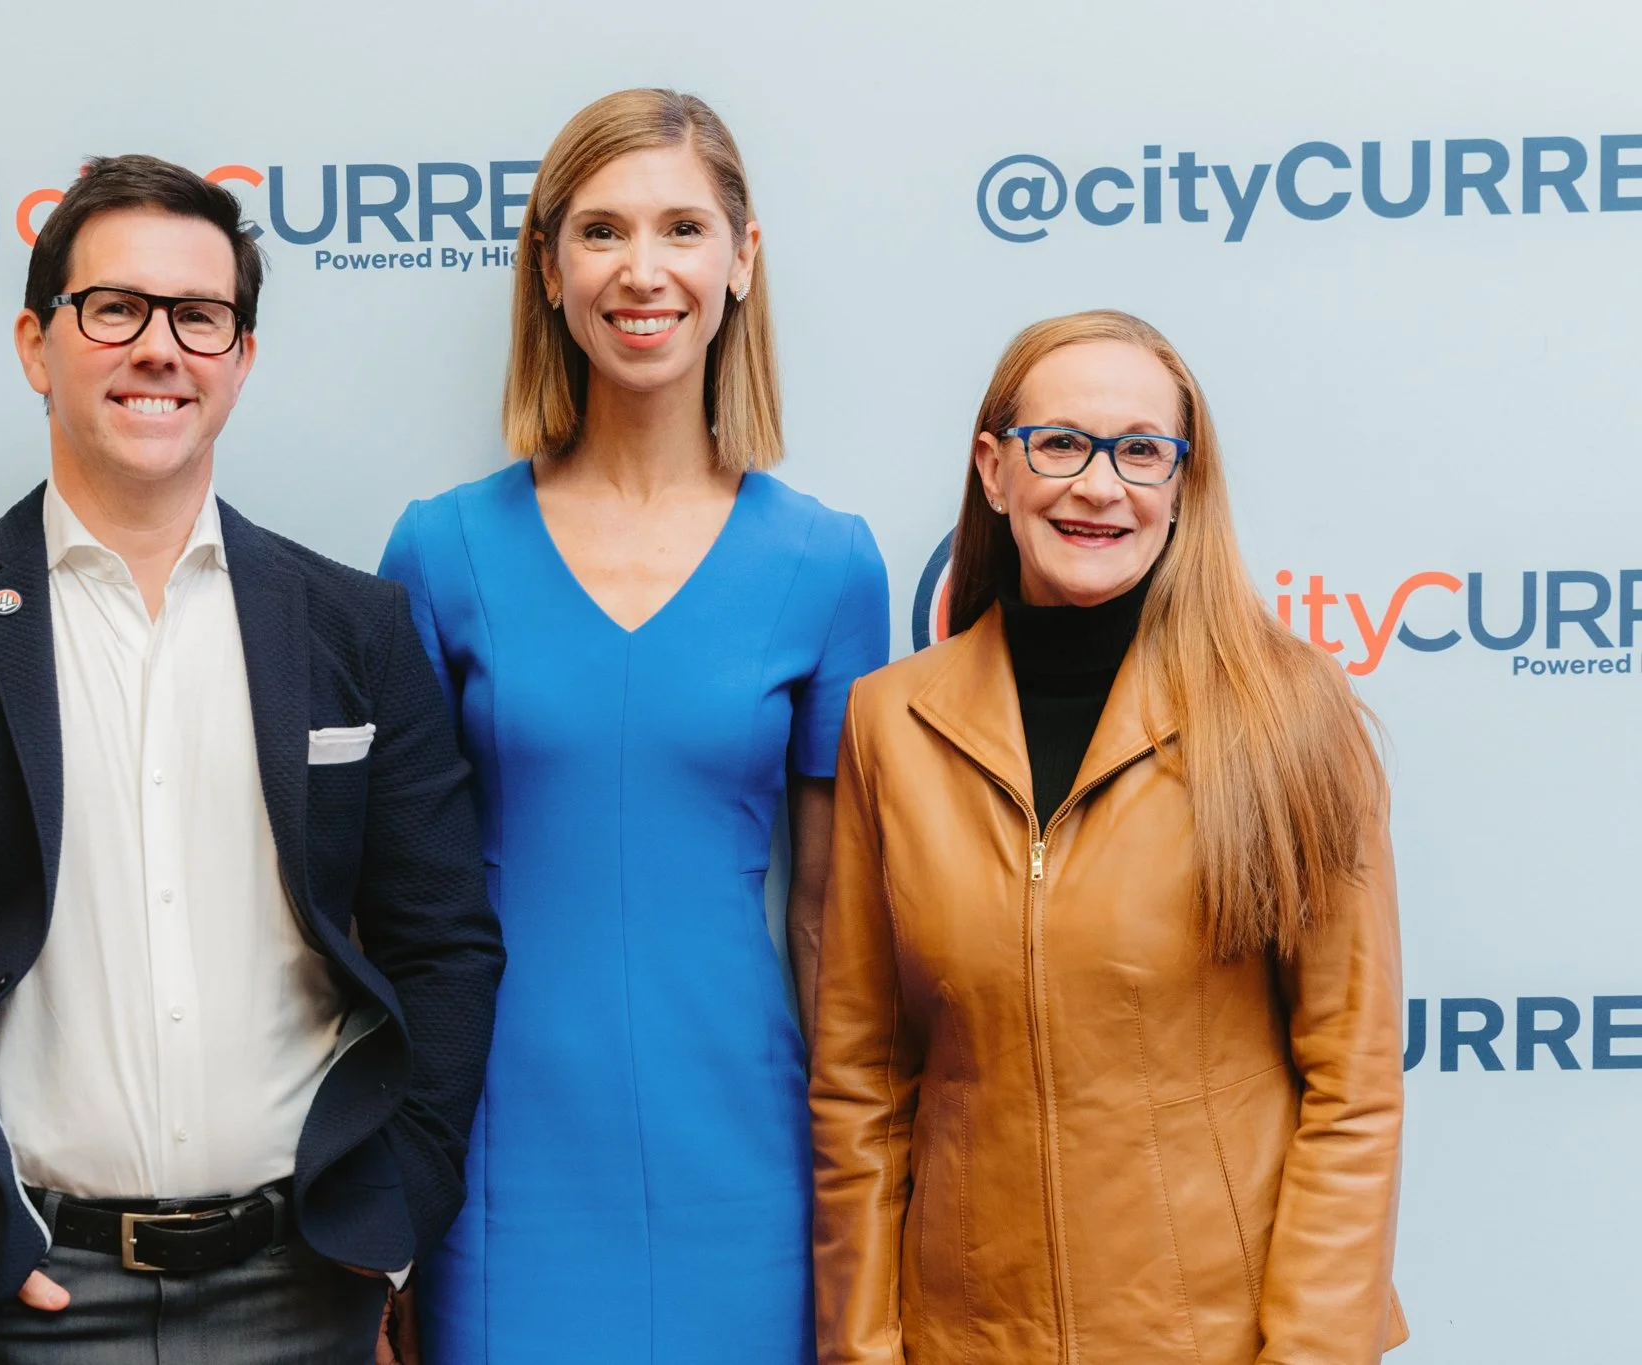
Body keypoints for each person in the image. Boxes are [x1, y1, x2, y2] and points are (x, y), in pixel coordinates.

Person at [0, 154, 503, 1365]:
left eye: (199, 316)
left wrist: (393, 1211)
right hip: (16, 1290)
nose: (159, 348)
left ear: (241, 357)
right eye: (115, 309)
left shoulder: (354, 628)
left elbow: (444, 940)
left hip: (300, 1290)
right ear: (36, 345)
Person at [378, 88, 888, 1365]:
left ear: (741, 259)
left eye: (681, 228)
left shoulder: (829, 563)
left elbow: (830, 924)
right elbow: (391, 915)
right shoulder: (439, 550)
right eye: (600, 231)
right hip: (497, 1161)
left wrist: (860, 1207)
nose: (641, 270)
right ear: (547, 268)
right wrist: (382, 1202)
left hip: (747, 1162)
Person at [809, 310, 1408, 1363]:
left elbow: (1351, 1087)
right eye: (1059, 444)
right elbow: (863, 1084)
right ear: (993, 471)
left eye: (1139, 450)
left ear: (1181, 483)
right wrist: (862, 1350)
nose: (1099, 485)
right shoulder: (889, 724)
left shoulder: (1288, 713)